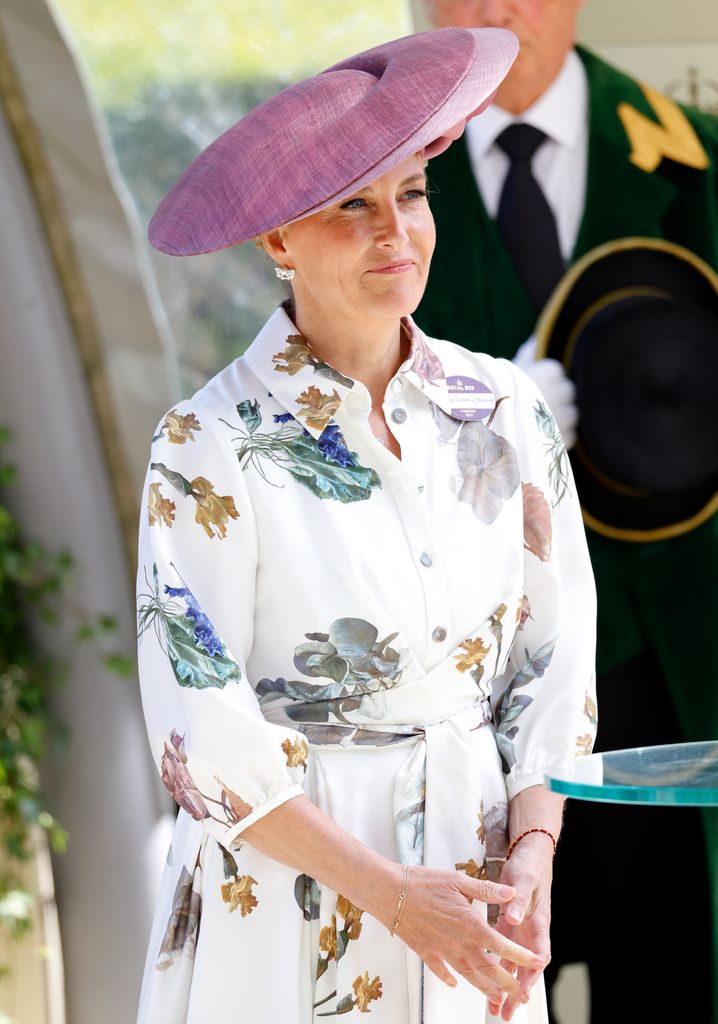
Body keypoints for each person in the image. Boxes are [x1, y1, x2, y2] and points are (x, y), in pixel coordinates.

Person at [136, 27, 597, 1024]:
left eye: (411, 196)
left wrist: (532, 855)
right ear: (277, 239)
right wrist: (390, 895)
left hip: (474, 893)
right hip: (284, 910)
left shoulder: (508, 411)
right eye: (353, 206)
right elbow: (200, 735)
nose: (396, 233)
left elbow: (555, 663)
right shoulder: (205, 444)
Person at [417, 3, 717, 1021]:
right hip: (471, 692)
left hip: (676, 682)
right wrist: (474, 422)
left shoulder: (698, 161)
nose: (495, 10)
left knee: (671, 976)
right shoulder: (386, 186)